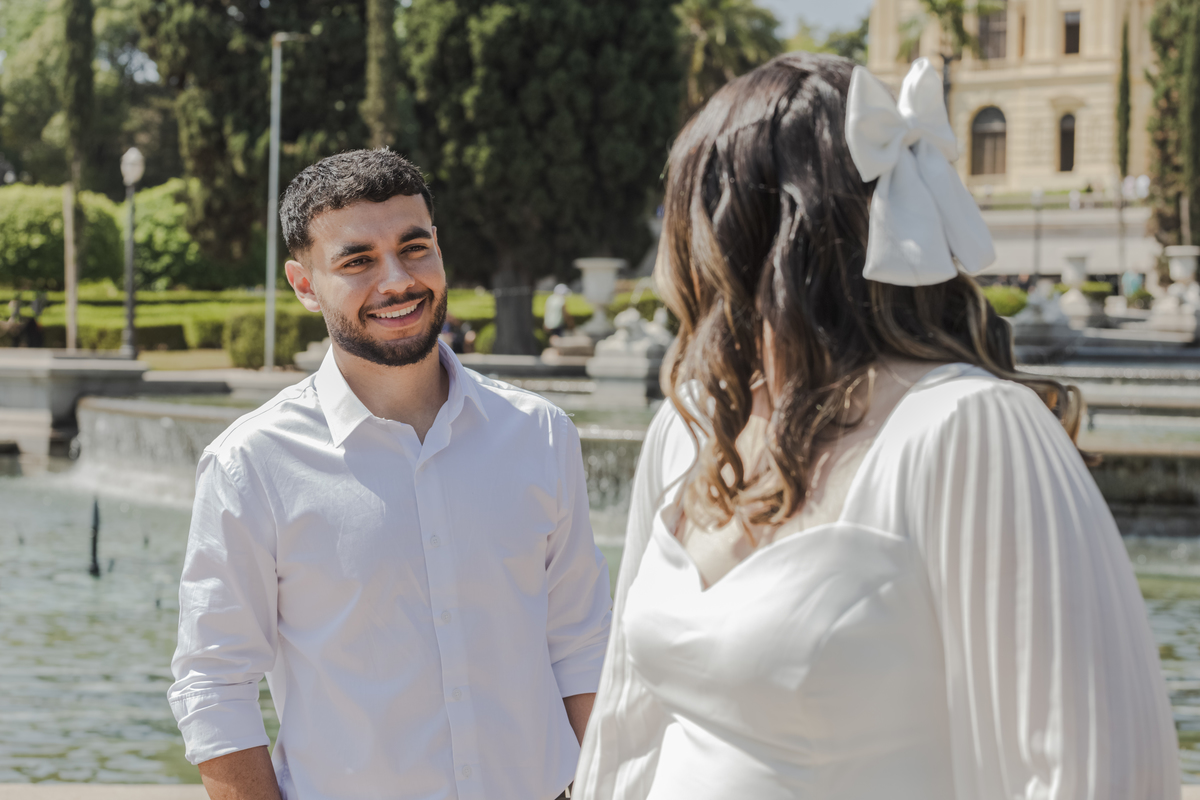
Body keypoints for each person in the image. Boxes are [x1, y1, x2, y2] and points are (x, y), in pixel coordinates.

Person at [574, 54, 1178, 799]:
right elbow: (629, 726)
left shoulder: (967, 431)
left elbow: (1091, 770)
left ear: (745, 233)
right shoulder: (693, 428)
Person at [169, 149, 612, 800]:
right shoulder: (251, 465)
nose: (397, 280)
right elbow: (214, 683)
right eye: (357, 261)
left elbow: (582, 645)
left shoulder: (540, 434)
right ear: (302, 284)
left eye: (414, 248)